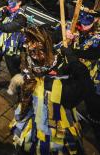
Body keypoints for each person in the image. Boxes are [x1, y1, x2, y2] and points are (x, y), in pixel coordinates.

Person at [10, 27, 91, 155]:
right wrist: (73, 59)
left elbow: (45, 39)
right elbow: (86, 85)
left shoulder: (29, 79)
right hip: (56, 128)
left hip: (33, 119)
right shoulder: (60, 87)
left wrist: (64, 35)